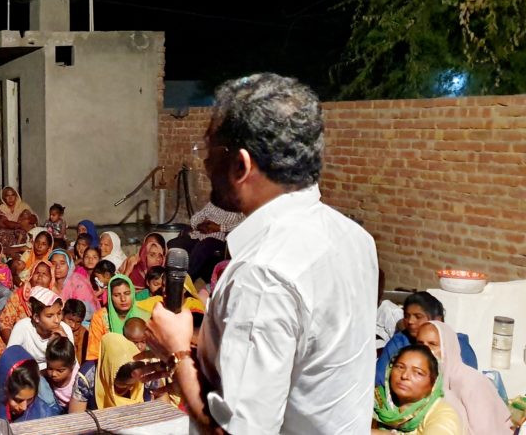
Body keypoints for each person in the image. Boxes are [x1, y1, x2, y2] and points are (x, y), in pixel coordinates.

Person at [144, 73, 380, 433]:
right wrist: (197, 363)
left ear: (241, 164)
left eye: (210, 152)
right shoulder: (354, 238)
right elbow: (304, 372)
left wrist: (177, 353)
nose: (205, 165)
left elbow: (236, 430)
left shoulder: (263, 274)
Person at [416, 321, 512, 434]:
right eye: (420, 344)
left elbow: (486, 430)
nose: (425, 350)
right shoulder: (421, 380)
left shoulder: (471, 381)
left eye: (433, 344)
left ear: (448, 347)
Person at [376, 291, 478, 387]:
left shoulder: (458, 345)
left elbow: (469, 383)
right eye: (407, 316)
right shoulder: (399, 342)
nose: (410, 321)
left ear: (437, 320)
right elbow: (379, 380)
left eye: (418, 316)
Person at [373, 345, 461, 434]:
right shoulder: (374, 402)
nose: (404, 376)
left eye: (418, 373)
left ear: (434, 382)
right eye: (400, 367)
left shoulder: (442, 414)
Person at [0, 345, 58, 422]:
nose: (24, 407)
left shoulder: (43, 415)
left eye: (30, 399)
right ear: (3, 392)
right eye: (18, 400)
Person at [6, 286, 73, 367]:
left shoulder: (65, 330)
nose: (57, 320)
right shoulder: (23, 327)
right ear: (36, 317)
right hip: (26, 370)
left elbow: (70, 365)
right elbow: (9, 358)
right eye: (49, 316)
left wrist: (64, 341)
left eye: (59, 314)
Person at [86, 274, 147, 363]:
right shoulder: (100, 318)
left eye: (127, 293)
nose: (123, 299)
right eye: (117, 295)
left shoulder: (145, 316)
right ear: (110, 297)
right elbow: (94, 354)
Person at [95, 333, 144, 409]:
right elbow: (78, 413)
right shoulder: (88, 379)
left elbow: (161, 398)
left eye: (134, 383)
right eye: (124, 384)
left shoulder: (146, 373)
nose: (131, 388)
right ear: (109, 376)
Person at [49, 250, 98, 322]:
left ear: (69, 265)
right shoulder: (46, 282)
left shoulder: (79, 283)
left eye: (62, 263)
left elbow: (86, 314)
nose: (57, 267)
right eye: (53, 263)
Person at [42, 336, 78, 409]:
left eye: (60, 371)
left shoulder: (77, 379)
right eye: (50, 368)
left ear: (72, 366)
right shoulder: (45, 375)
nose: (53, 374)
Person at [61, 299, 88, 366]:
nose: (73, 325)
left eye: (78, 322)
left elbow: (80, 358)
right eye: (70, 320)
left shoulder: (83, 333)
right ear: (62, 314)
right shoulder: (56, 327)